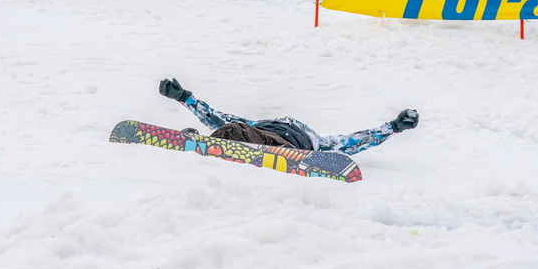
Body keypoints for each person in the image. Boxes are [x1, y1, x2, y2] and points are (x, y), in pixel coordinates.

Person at [158, 78, 418, 155]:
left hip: (292, 151)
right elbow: (216, 118)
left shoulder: (316, 141)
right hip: (256, 140)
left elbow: (352, 141)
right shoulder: (254, 126)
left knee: (234, 129)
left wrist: (393, 127)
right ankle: (207, 147)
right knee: (233, 128)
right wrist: (184, 97)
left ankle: (205, 146)